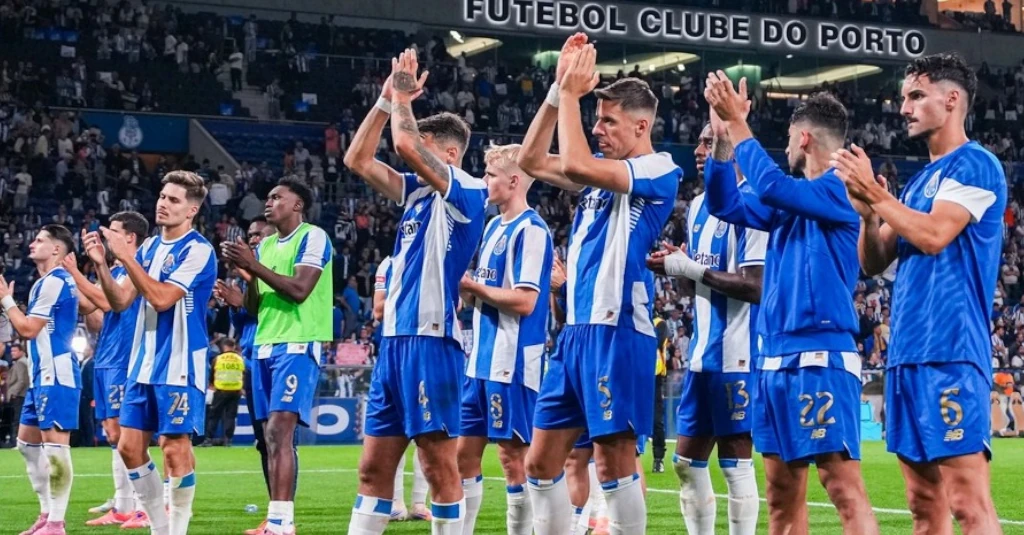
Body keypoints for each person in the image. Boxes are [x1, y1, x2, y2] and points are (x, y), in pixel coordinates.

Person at [832, 52, 1006, 534]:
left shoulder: (975, 164)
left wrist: (877, 194)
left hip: (951, 351)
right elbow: (872, 261)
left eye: (915, 96)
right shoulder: (918, 185)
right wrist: (869, 215)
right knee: (923, 504)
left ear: (951, 100)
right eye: (903, 97)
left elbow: (933, 236)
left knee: (967, 503)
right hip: (906, 356)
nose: (903, 108)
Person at [517, 34, 680, 534]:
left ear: (641, 126)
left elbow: (575, 163)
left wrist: (572, 93)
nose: (597, 128)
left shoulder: (659, 169)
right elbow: (530, 161)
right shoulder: (597, 175)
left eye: (608, 120)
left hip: (619, 332)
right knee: (539, 464)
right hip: (575, 335)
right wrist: (556, 91)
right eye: (596, 119)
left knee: (612, 463)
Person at [702, 76, 878, 534]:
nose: (783, 148)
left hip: (821, 356)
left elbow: (772, 186)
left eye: (786, 138)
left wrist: (739, 124)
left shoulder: (842, 188)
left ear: (804, 138)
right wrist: (723, 142)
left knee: (841, 486)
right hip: (773, 359)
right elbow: (723, 204)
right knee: (780, 496)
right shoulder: (790, 200)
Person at [343, 48, 486, 534]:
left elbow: (405, 144)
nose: (413, 152)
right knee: (372, 469)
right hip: (394, 343)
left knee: (437, 466)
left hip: (432, 342)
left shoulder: (467, 190)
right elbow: (357, 159)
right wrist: (386, 101)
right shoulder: (417, 193)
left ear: (448, 154)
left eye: (427, 147)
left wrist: (403, 97)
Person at [646, 123, 765, 535]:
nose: (699, 150)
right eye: (699, 141)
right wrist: (677, 266)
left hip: (738, 353)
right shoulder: (697, 206)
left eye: (709, 142)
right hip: (702, 353)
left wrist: (692, 268)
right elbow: (692, 285)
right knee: (685, 462)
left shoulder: (754, 205)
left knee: (735, 460)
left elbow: (756, 287)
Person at [86, 171, 217, 535]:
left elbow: (161, 299)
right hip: (141, 362)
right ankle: (160, 528)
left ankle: (175, 531)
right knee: (128, 448)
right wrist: (101, 264)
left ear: (191, 210)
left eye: (174, 200)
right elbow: (120, 301)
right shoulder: (149, 249)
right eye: (162, 196)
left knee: (173, 449)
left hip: (179, 362)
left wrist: (126, 258)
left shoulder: (198, 250)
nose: (163, 204)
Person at [221, 177, 333, 535]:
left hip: (297, 343)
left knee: (279, 430)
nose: (268, 202)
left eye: (276, 197)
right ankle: (275, 518)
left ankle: (282, 522)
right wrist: (241, 291)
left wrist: (252, 266)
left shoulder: (313, 237)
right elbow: (256, 305)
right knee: (268, 438)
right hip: (264, 346)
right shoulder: (267, 245)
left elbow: (300, 289)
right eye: (268, 197)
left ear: (297, 205)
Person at [456, 143, 553, 535]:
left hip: (511, 363)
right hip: (479, 361)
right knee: (463, 456)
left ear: (514, 181)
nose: (484, 181)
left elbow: (526, 301)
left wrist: (474, 287)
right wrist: (465, 291)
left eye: (490, 175)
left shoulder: (532, 230)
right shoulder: (493, 226)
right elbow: (485, 290)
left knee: (514, 458)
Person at [61, 211, 150, 528]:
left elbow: (111, 303)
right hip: (106, 357)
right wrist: (71, 282)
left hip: (125, 357)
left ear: (130, 237)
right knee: (113, 434)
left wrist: (75, 273)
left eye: (112, 231)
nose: (105, 236)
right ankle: (123, 504)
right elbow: (96, 315)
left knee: (128, 434)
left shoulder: (136, 267)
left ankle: (142, 504)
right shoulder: (114, 270)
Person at [214, 216, 293, 535]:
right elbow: (248, 320)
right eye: (250, 235)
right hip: (252, 357)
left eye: (260, 234)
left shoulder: (278, 269)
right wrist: (235, 305)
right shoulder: (250, 277)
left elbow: (280, 309)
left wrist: (243, 298)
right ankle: (274, 511)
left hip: (278, 354)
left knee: (279, 437)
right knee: (264, 440)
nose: (253, 239)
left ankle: (283, 515)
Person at [1, 225, 79, 535]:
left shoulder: (55, 281)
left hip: (57, 373)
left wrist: (7, 301)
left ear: (57, 249)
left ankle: (56, 524)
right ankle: (47, 515)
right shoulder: (44, 283)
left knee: (55, 448)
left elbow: (29, 329)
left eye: (40, 240)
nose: (32, 243)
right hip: (41, 374)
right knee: (26, 444)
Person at [373, 256, 431, 523]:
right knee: (393, 433)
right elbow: (378, 310)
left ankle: (419, 502)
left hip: (430, 353)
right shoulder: (389, 264)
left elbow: (456, 304)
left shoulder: (437, 257)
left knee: (428, 433)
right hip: (396, 354)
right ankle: (395, 502)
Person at [204, 338, 244, 446]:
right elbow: (243, 374)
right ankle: (228, 440)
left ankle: (209, 439)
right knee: (230, 416)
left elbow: (212, 374)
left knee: (214, 415)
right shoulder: (240, 359)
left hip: (221, 390)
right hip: (235, 391)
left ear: (223, 346)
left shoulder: (218, 359)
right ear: (234, 346)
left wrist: (211, 384)